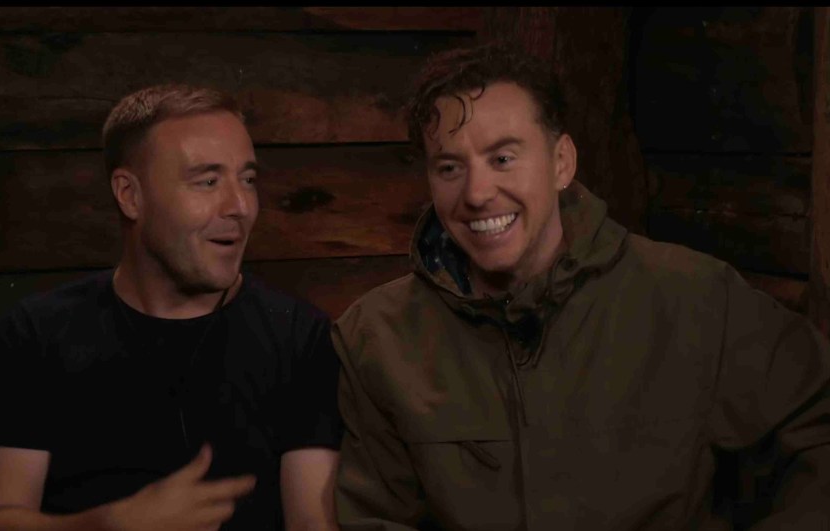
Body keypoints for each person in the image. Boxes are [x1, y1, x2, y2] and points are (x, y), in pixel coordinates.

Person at [333, 42, 829, 530]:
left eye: (503, 158)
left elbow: (818, 429)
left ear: (562, 162)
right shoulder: (378, 338)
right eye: (449, 168)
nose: (478, 193)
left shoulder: (697, 298)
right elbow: (375, 518)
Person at [0, 85, 343, 531]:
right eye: (208, 180)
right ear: (129, 195)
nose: (240, 206)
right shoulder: (35, 334)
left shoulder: (300, 336)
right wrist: (111, 525)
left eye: (248, 179)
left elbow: (312, 524)